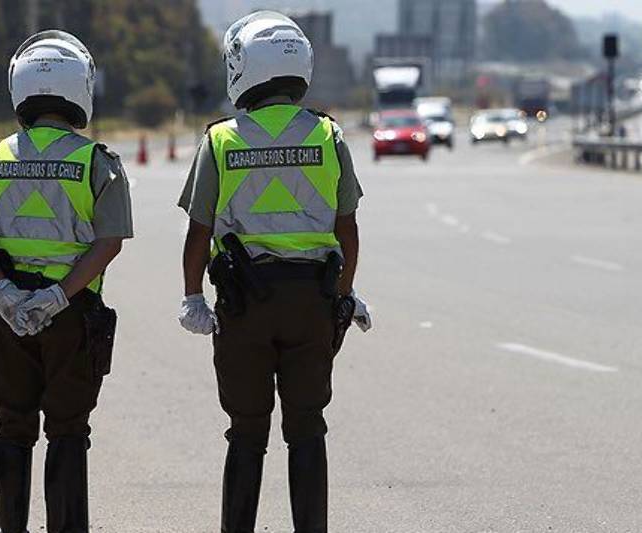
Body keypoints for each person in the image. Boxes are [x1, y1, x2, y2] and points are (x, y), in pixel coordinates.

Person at [178, 11, 372, 533]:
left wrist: (193, 296)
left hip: (245, 306)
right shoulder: (329, 136)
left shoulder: (220, 141)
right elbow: (347, 229)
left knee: (245, 431)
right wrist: (346, 293)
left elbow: (199, 232)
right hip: (312, 302)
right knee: (307, 428)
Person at [0, 30, 133, 533]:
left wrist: (4, 294)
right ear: (81, 89)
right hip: (70, 316)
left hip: (10, 316)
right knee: (68, 430)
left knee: (13, 427)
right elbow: (110, 241)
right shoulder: (96, 161)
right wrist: (57, 295)